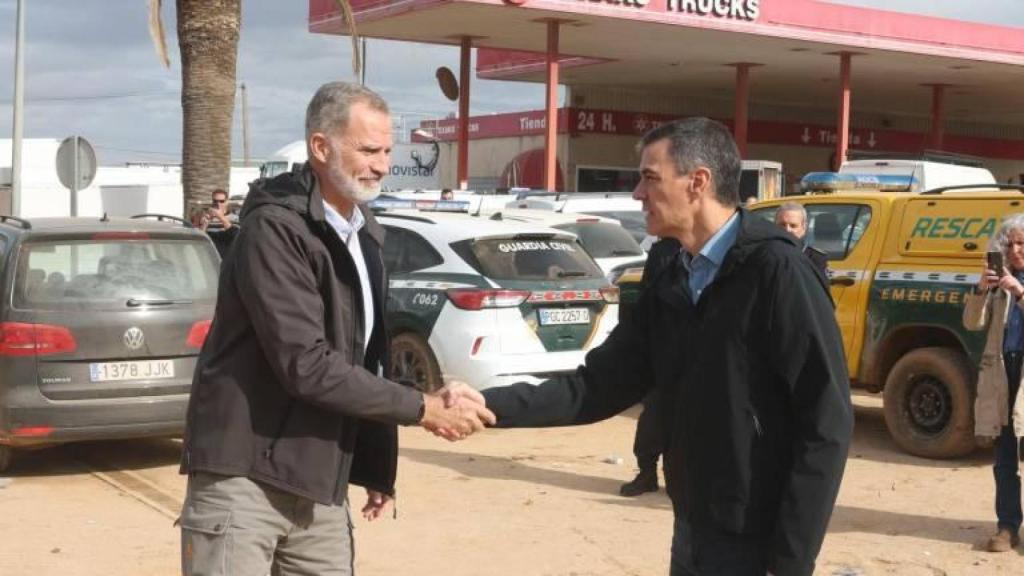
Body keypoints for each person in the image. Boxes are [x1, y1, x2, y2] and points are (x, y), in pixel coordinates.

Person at [450, 117, 852, 575]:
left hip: (757, 542)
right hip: (693, 528)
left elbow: (826, 424)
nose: (638, 193)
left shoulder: (777, 272)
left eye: (650, 177)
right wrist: (487, 404)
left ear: (697, 182)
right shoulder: (669, 269)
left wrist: (791, 562)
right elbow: (599, 386)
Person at [179, 82, 494, 576]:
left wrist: (374, 459)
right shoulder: (275, 230)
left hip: (320, 481)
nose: (383, 165)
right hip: (244, 480)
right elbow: (306, 363)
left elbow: (361, 359)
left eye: (388, 150)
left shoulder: (364, 233)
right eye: (368, 150)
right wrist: (422, 408)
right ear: (321, 148)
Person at [963, 213, 1024, 553]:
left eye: (1021, 244)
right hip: (1003, 374)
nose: (1015, 250)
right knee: (1004, 459)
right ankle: (1007, 527)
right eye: (1009, 244)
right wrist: (981, 289)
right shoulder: (1000, 281)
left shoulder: (1014, 286)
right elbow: (972, 323)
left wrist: (1019, 292)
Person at [620, 238, 680, 497]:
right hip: (663, 346)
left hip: (701, 348)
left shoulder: (718, 246)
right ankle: (647, 472)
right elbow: (649, 296)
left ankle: (678, 477)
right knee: (653, 416)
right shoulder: (664, 250)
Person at [774, 201, 829, 278]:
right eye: (782, 225)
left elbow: (819, 288)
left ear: (804, 227)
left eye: (793, 226)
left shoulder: (815, 258)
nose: (787, 230)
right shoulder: (763, 254)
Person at [193, 188, 239, 257]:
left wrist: (221, 217)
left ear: (227, 202)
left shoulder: (235, 218)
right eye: (215, 201)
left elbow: (235, 236)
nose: (218, 204)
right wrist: (204, 225)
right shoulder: (205, 217)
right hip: (210, 256)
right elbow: (198, 240)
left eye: (221, 201)